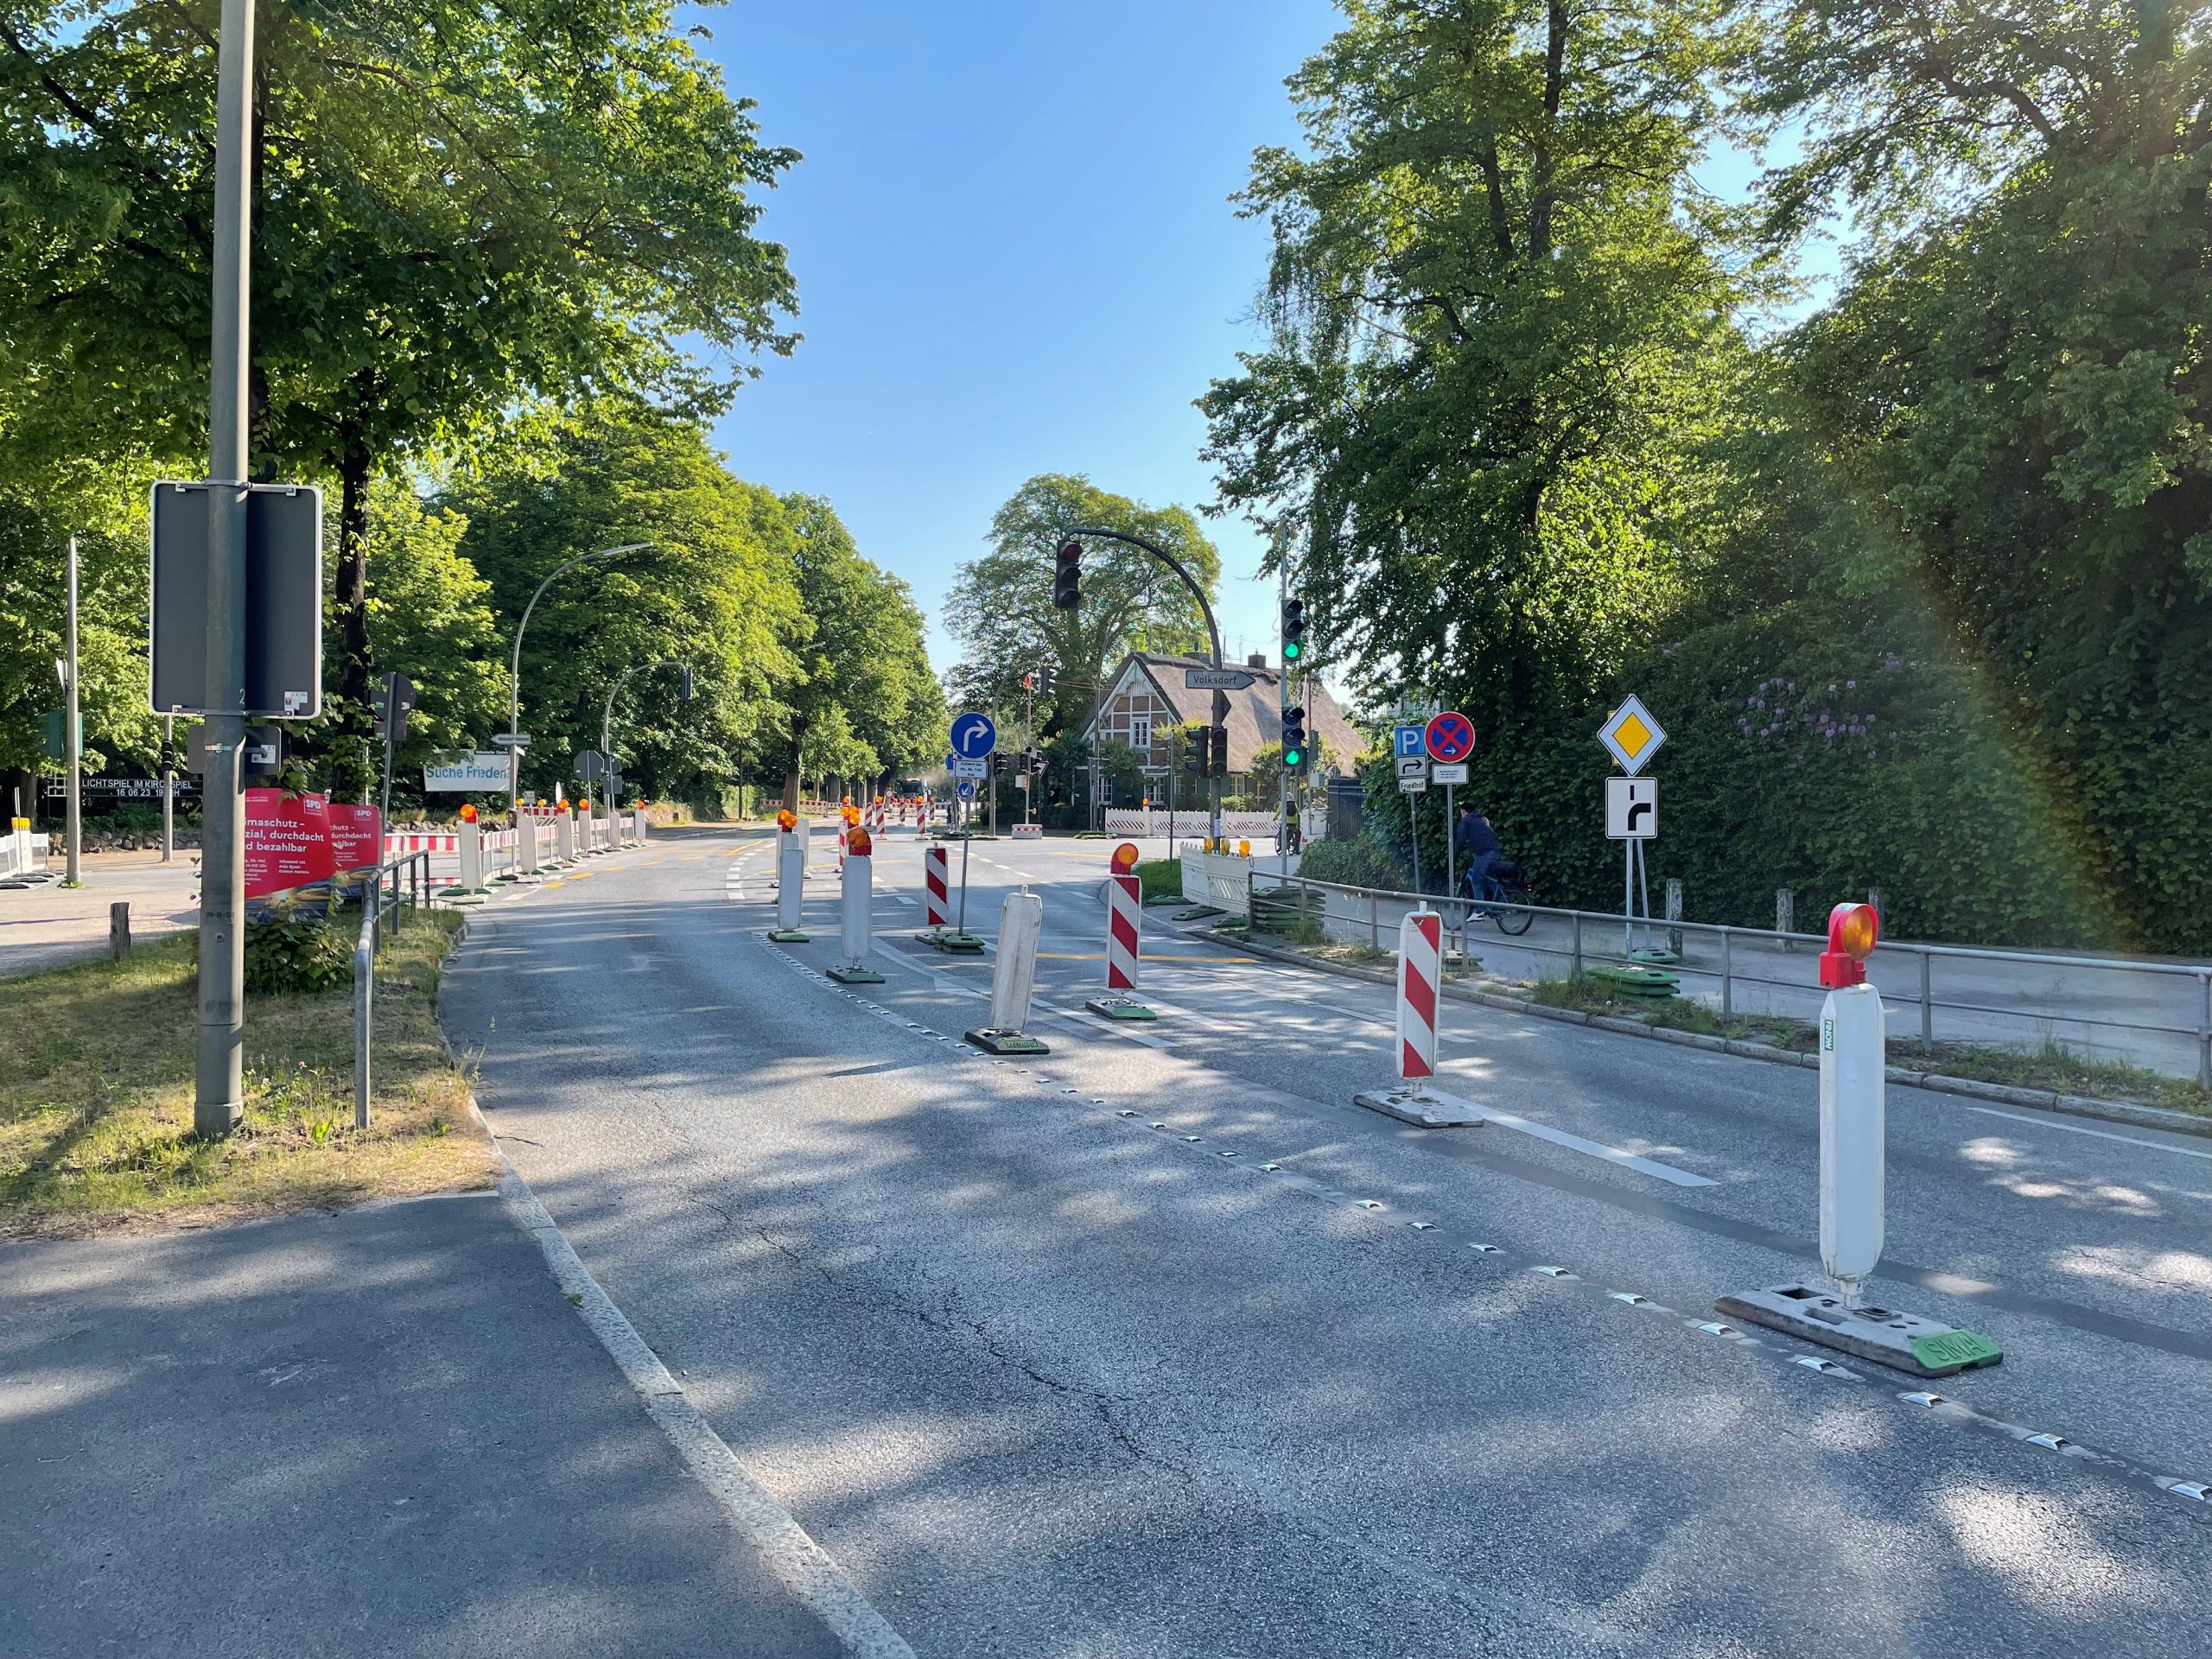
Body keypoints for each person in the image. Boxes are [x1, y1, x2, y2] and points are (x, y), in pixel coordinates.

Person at [1455, 802, 1501, 901]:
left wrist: (1456, 853)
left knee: (1476, 880)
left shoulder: (1466, 820)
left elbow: (1461, 839)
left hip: (1484, 854)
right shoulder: (1481, 819)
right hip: (1494, 851)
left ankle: (1480, 909)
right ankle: (1496, 900)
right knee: (1486, 878)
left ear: (1463, 811)